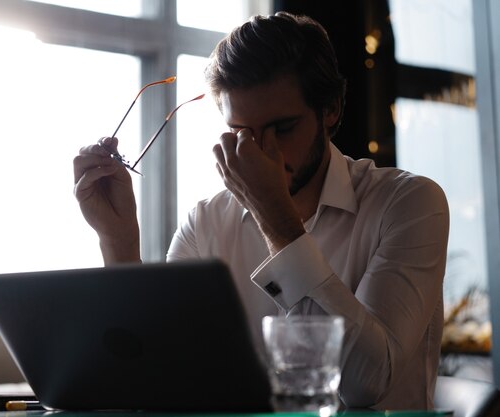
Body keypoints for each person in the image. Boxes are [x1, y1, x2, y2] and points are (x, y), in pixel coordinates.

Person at [73, 12, 449, 410]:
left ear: (332, 109)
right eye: (241, 133)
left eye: (283, 128)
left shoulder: (409, 204)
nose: (262, 153)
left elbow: (364, 385)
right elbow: (156, 374)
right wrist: (119, 242)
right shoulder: (205, 223)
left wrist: (275, 217)